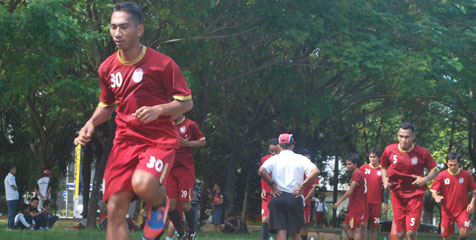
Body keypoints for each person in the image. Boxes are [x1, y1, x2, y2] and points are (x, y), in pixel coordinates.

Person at [73, 2, 193, 240]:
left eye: (124, 27)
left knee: (143, 183)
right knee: (115, 207)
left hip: (157, 141)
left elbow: (186, 102)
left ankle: (158, 204)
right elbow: (106, 105)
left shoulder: (162, 64)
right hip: (124, 142)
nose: (117, 33)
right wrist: (91, 123)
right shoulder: (107, 68)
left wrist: (159, 109)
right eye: (113, 27)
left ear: (139, 30)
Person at [380, 122, 438, 240]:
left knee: (411, 233)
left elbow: (435, 170)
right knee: (401, 234)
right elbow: (383, 167)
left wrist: (425, 179)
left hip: (415, 196)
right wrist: (385, 181)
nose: (403, 140)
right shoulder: (389, 150)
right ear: (397, 135)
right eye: (401, 136)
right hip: (397, 195)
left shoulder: (422, 152)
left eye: (407, 137)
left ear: (413, 137)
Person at [258, 133, 319, 240]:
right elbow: (315, 171)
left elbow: (261, 170)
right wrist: (303, 185)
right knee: (295, 233)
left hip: (278, 196)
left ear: (279, 146)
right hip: (294, 196)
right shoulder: (300, 158)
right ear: (292, 145)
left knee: (281, 232)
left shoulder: (274, 159)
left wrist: (272, 184)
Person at [166, 113, 206, 240]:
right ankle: (181, 233)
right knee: (171, 206)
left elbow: (203, 141)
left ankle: (192, 233)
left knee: (185, 205)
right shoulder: (166, 124)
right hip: (170, 170)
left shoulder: (190, 124)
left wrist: (188, 144)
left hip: (185, 169)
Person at [430, 152, 476, 240]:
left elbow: (474, 191)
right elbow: (434, 191)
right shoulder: (441, 176)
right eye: (450, 165)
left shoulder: (466, 175)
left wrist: (472, 204)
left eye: (455, 165)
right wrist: (436, 197)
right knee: (446, 237)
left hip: (462, 210)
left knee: (463, 232)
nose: (452, 167)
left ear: (459, 163)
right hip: (447, 212)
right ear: (447, 163)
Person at [334, 153, 367, 240]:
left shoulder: (358, 174)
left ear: (355, 164)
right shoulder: (355, 174)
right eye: (346, 164)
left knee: (356, 229)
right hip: (353, 206)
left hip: (357, 206)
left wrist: (339, 202)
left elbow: (350, 191)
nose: (347, 166)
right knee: (345, 225)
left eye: (350, 164)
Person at [359, 148, 388, 240]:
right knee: (363, 224)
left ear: (379, 157)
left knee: (374, 226)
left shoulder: (383, 170)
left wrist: (386, 203)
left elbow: (385, 188)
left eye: (374, 157)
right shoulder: (363, 168)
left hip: (376, 203)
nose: (372, 159)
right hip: (364, 202)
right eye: (370, 157)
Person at [260, 138, 279, 240]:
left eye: (275, 151)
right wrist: (263, 188)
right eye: (271, 151)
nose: (273, 153)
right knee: (265, 219)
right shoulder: (264, 160)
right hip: (267, 194)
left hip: (280, 194)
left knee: (282, 221)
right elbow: (262, 175)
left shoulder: (284, 161)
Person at [298, 149, 319, 240]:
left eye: (308, 159)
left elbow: (313, 187)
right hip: (294, 199)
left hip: (305, 201)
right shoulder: (295, 169)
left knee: (304, 223)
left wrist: (305, 199)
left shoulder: (313, 171)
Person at [4, 165, 19, 231]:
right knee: (12, 213)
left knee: (13, 213)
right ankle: (10, 227)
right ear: (11, 169)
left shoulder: (12, 177)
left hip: (14, 197)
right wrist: (17, 188)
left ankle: (11, 226)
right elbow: (13, 187)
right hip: (11, 198)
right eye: (15, 169)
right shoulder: (9, 177)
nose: (15, 171)